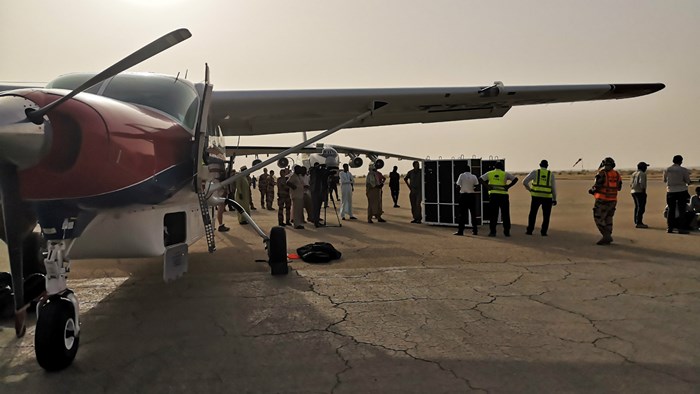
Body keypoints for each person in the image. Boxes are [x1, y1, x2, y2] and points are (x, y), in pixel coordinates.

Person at [589, 157, 622, 245]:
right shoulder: (616, 174)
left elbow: (597, 186)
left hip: (602, 200)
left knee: (598, 218)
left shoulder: (602, 174)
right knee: (608, 218)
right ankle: (608, 235)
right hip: (613, 200)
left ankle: (606, 235)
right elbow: (619, 187)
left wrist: (592, 191)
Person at [480, 162, 518, 237]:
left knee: (493, 214)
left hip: (493, 195)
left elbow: (480, 179)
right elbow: (515, 179)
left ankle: (492, 232)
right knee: (505, 214)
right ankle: (507, 231)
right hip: (503, 195)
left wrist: (487, 186)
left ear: (494, 167)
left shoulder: (490, 173)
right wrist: (508, 186)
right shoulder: (505, 174)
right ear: (502, 167)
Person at [523, 160, 557, 236]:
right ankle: (543, 232)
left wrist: (530, 190)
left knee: (532, 214)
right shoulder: (551, 174)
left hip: (536, 196)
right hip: (547, 197)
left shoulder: (535, 172)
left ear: (540, 165)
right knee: (546, 216)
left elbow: (524, 182)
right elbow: (553, 188)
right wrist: (554, 199)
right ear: (547, 166)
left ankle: (529, 230)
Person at [663, 155, 691, 234]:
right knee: (682, 210)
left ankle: (670, 227)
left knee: (671, 210)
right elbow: (687, 181)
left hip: (670, 191)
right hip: (681, 190)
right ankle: (681, 228)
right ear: (681, 161)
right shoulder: (683, 170)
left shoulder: (667, 169)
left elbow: (664, 180)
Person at [454, 165, 480, 236]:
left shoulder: (462, 175)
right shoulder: (474, 176)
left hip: (463, 196)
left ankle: (461, 231)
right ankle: (475, 230)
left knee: (462, 214)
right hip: (471, 196)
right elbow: (477, 186)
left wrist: (460, 190)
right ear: (470, 170)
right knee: (473, 214)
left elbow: (457, 185)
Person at [630, 161, 650, 228]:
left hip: (633, 191)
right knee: (641, 207)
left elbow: (631, 184)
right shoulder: (642, 174)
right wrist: (644, 192)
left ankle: (636, 220)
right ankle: (639, 222)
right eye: (645, 167)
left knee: (637, 207)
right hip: (640, 192)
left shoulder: (634, 173)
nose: (646, 168)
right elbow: (642, 183)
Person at [309, 162, 329, 227]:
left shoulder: (319, 175)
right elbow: (312, 170)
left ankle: (317, 221)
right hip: (315, 192)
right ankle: (316, 222)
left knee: (318, 207)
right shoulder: (313, 171)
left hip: (319, 192)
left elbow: (325, 174)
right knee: (316, 207)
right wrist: (318, 166)